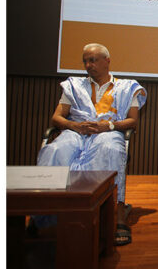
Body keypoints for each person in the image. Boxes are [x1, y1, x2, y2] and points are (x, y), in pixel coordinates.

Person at [37, 43, 147, 246]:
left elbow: (132, 121)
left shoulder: (127, 87)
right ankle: (45, 215)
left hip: (108, 131)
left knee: (110, 150)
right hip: (76, 131)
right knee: (55, 150)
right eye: (85, 61)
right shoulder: (74, 86)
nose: (88, 65)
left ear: (107, 61)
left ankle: (116, 215)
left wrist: (109, 125)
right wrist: (74, 125)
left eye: (93, 60)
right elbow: (57, 117)